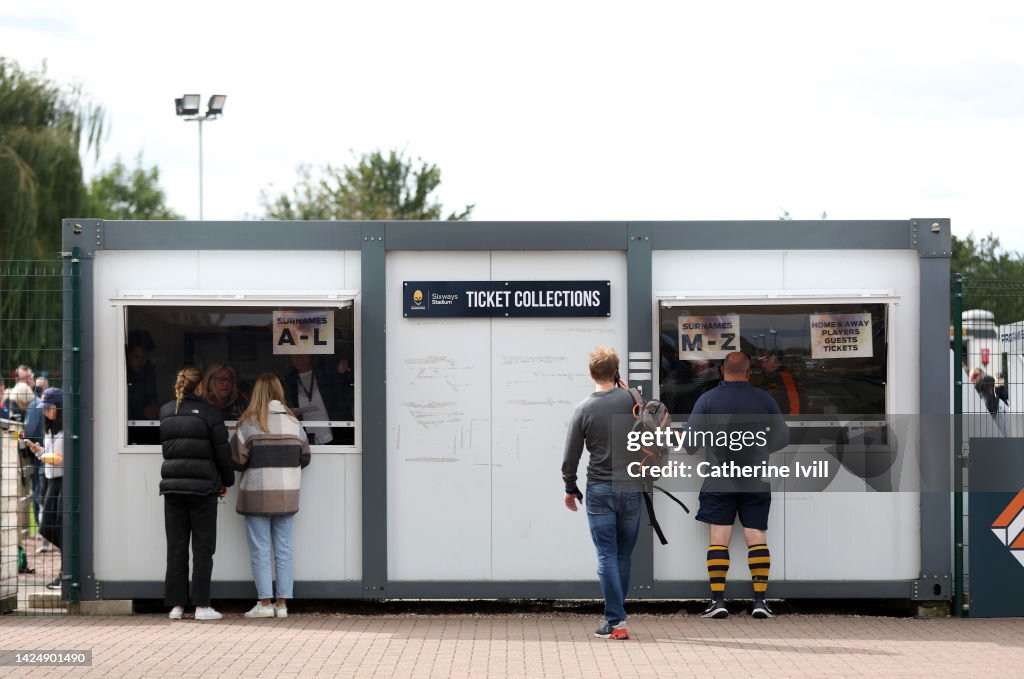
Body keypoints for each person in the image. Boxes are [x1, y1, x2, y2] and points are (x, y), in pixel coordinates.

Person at [685, 352, 789, 619]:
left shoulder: (707, 399)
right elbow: (782, 437)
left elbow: (690, 445)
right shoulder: (764, 399)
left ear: (721, 370)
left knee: (720, 539)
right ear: (748, 372)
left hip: (720, 478)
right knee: (756, 537)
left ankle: (718, 601)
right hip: (756, 478)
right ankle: (760, 602)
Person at [562, 347, 641, 640]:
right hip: (632, 487)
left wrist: (570, 487)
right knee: (623, 556)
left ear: (591, 373)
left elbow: (571, 456)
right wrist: (629, 391)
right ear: (616, 371)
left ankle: (616, 621)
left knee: (606, 554)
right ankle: (617, 619)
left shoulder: (583, 409)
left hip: (600, 489)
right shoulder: (634, 400)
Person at [231, 374, 311, 619]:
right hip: (286, 494)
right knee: (285, 548)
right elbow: (305, 457)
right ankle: (282, 603)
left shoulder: (249, 424)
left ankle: (264, 603)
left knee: (260, 549)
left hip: (256, 495)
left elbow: (237, 460)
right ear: (279, 392)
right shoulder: (294, 424)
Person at [158, 365, 234, 621]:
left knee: (176, 547)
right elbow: (222, 452)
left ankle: (177, 606)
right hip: (203, 490)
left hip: (173, 489)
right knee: (203, 547)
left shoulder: (166, 411)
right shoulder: (210, 413)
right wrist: (227, 480)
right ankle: (201, 606)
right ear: (200, 386)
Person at [25, 388, 65, 589]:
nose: (45, 412)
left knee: (58, 525)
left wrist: (42, 455)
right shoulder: (50, 429)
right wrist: (39, 450)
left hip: (62, 480)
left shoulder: (65, 430)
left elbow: (59, 459)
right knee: (47, 527)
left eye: (49, 408)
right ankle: (67, 564)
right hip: (51, 479)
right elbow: (52, 455)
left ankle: (66, 569)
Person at [283, 354, 353, 445]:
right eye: (293, 355)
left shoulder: (327, 374)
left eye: (302, 353)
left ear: (311, 355)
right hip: (305, 439)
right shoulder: (288, 381)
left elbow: (345, 395)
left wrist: (344, 369)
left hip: (335, 436)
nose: (298, 358)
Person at [126, 330, 160, 444]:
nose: (141, 362)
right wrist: (142, 413)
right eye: (137, 357)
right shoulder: (120, 374)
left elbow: (152, 399)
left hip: (148, 429)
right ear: (128, 354)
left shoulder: (149, 372)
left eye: (145, 357)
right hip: (126, 432)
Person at [755, 351, 802, 416]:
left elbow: (795, 407)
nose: (759, 365)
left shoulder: (785, 377)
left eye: (761, 362)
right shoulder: (771, 378)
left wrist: (790, 424)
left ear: (772, 359)